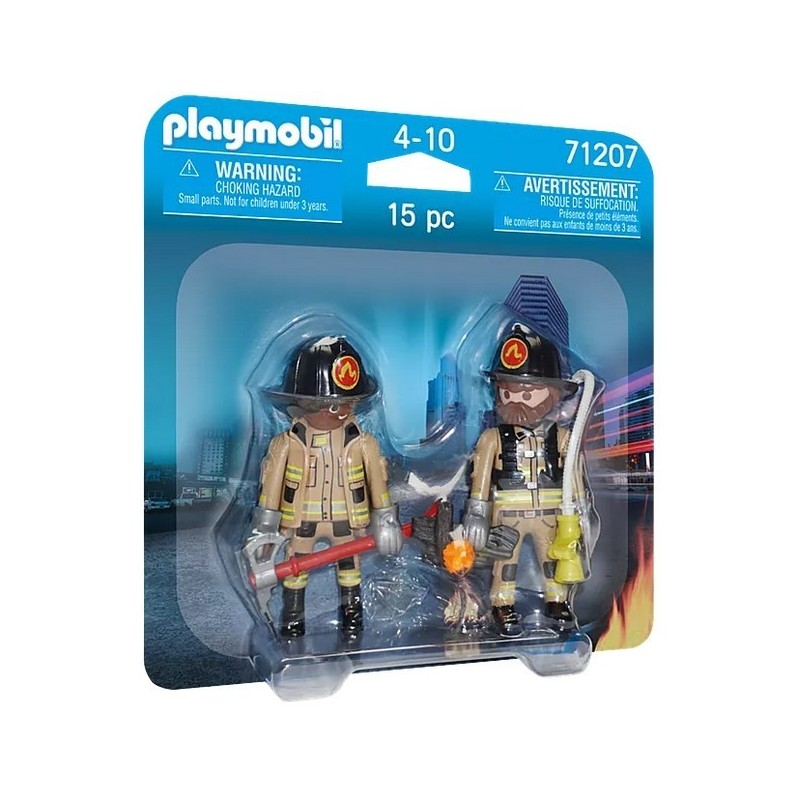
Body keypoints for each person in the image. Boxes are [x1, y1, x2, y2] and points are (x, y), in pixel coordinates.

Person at [251, 336, 402, 638]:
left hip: (346, 521)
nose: (339, 412)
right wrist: (264, 530)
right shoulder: (287, 443)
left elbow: (377, 482)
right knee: (295, 569)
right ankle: (293, 618)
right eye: (330, 406)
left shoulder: (363, 444)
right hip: (301, 521)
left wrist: (386, 520)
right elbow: (271, 486)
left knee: (350, 569)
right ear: (302, 403)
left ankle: (352, 618)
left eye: (345, 404)